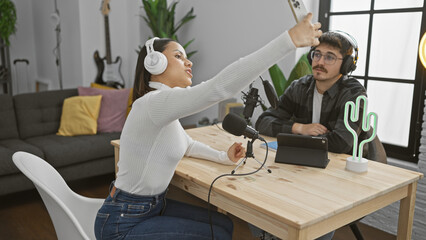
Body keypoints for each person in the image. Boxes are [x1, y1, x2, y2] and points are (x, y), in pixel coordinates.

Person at [94, 13, 322, 240]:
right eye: (178, 56)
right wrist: (288, 40)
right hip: (123, 223)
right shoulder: (152, 104)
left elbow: (187, 145)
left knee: (222, 224)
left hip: (148, 207)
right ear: (156, 63)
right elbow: (217, 89)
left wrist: (224, 156)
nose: (188, 61)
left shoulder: (163, 109)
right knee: (217, 234)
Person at [256, 30, 367, 156]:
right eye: (317, 54)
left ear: (346, 65)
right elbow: (263, 122)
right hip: (305, 161)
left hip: (343, 168)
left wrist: (294, 137)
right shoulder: (299, 87)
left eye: (329, 57)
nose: (320, 62)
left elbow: (341, 143)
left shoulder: (354, 93)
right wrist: (300, 128)